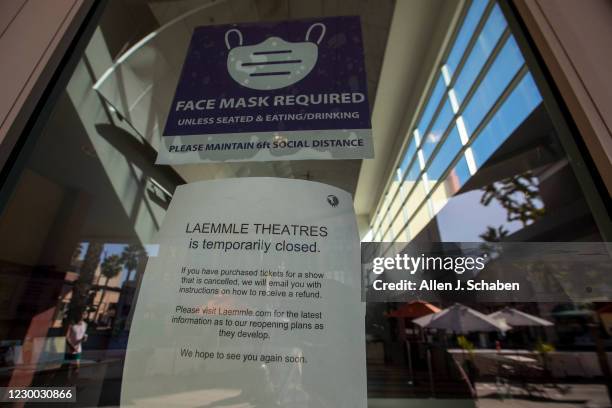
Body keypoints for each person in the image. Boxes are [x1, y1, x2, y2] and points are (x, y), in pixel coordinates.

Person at [65, 312, 88, 380]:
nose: (82, 315)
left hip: (78, 349)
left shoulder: (85, 324)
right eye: (81, 313)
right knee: (67, 367)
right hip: (69, 348)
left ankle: (72, 383)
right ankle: (64, 382)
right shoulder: (71, 324)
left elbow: (83, 336)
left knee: (76, 367)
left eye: (84, 314)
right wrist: (72, 346)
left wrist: (84, 338)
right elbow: (66, 337)